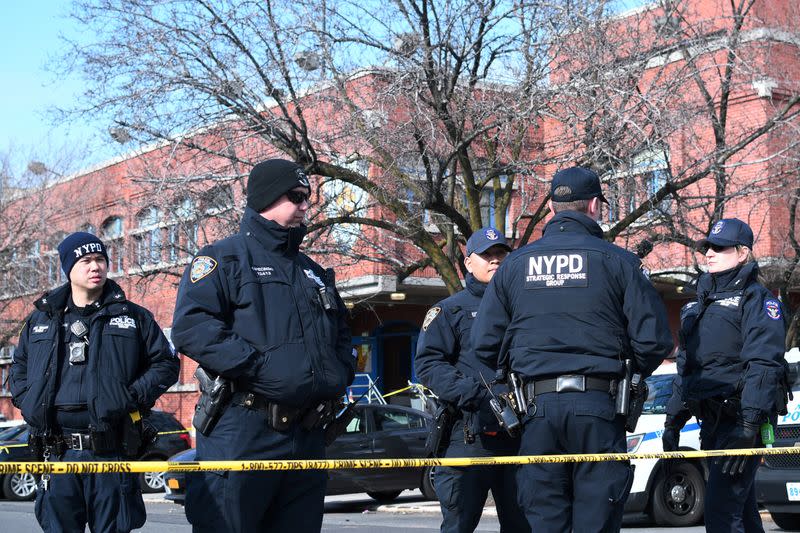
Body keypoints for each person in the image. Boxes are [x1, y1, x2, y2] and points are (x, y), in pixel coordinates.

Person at [471, 166, 674, 532]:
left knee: (545, 520)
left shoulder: (514, 266)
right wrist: (625, 371)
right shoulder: (620, 263)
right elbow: (654, 341)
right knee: (596, 520)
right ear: (595, 205)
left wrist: (518, 368)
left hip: (534, 410)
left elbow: (484, 343)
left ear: (551, 209)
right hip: (599, 406)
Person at [171, 158, 355, 533]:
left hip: (307, 435)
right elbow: (192, 327)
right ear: (266, 198)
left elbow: (342, 335)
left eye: (308, 197)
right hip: (244, 430)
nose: (306, 205)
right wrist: (258, 368)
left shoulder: (312, 272)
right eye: (296, 196)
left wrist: (339, 375)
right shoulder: (223, 259)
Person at [10, 232, 179, 533]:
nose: (95, 267)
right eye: (86, 260)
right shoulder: (40, 320)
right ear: (68, 268)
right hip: (57, 453)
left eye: (100, 259)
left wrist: (128, 397)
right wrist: (27, 400)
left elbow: (165, 364)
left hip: (110, 452)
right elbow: (19, 368)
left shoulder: (132, 317)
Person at [663, 218, 787, 533]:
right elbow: (688, 368)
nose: (710, 253)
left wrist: (748, 425)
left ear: (742, 253)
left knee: (721, 515)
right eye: (707, 247)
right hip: (711, 422)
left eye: (719, 248)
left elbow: (763, 363)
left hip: (741, 423)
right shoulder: (697, 305)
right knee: (740, 515)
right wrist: (672, 422)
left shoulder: (757, 300)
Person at [415, 227, 529, 533]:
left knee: (524, 526)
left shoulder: (524, 308)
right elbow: (428, 365)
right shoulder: (449, 310)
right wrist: (474, 394)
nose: (495, 261)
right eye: (487, 255)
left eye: (501, 254)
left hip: (520, 436)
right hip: (468, 435)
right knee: (458, 526)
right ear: (468, 263)